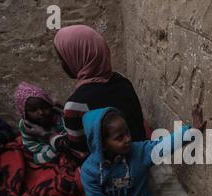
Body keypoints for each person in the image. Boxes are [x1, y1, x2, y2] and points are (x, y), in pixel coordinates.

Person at [80, 106, 206, 196]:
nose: (128, 139)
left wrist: (191, 132)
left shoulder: (139, 152)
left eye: (127, 132)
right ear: (101, 144)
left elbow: (162, 146)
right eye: (119, 137)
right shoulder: (89, 171)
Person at [54, 25, 146, 161]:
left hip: (109, 172)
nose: (62, 64)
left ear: (78, 56)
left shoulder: (75, 105)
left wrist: (52, 139)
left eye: (63, 58)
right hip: (140, 156)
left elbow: (79, 154)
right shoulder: (122, 81)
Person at [14, 82, 66, 164]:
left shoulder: (57, 116)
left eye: (45, 107)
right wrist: (48, 149)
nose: (41, 112)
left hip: (62, 142)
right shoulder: (26, 125)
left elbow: (67, 136)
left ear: (50, 105)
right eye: (34, 110)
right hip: (45, 148)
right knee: (36, 158)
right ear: (24, 112)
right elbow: (31, 144)